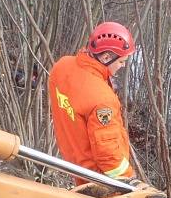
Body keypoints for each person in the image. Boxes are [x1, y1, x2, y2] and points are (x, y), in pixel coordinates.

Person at [48, 21, 136, 185]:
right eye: (121, 61)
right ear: (106, 57)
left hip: (74, 163)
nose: (123, 66)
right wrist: (128, 181)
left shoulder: (62, 66)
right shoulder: (102, 100)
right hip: (99, 180)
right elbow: (108, 154)